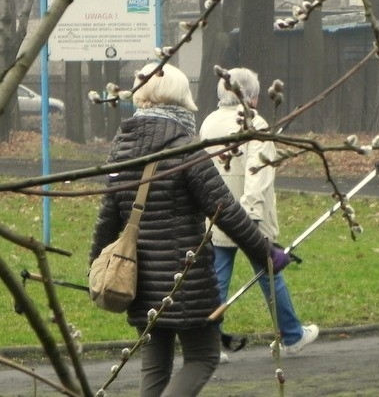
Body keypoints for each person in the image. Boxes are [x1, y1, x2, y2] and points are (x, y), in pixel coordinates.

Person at [90, 63, 287, 397]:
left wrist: (95, 267)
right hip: (185, 282)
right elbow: (225, 210)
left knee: (155, 365)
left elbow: (108, 217)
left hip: (138, 278)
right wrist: (265, 252)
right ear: (181, 98)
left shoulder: (121, 148)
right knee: (203, 356)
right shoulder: (185, 148)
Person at [199, 68, 319, 355]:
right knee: (269, 275)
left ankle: (209, 347)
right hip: (248, 218)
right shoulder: (256, 124)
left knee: (216, 281)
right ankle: (292, 336)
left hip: (217, 215)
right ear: (250, 97)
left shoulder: (209, 123)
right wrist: (249, 215)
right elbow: (258, 171)